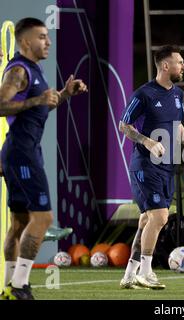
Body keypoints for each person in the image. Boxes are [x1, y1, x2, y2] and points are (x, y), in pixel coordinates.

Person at [0, 17, 87, 300]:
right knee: (43, 218)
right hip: (22, 153)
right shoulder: (18, 70)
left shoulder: (34, 70)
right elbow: (1, 105)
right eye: (41, 37)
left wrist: (63, 95)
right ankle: (19, 286)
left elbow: (38, 109)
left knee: (20, 223)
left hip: (22, 151)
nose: (47, 41)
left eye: (47, 36)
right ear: (25, 42)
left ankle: (8, 286)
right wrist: (37, 100)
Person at [119, 45, 184, 290]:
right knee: (160, 217)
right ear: (166, 66)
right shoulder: (144, 94)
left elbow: (177, 126)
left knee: (147, 221)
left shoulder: (177, 95)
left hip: (166, 166)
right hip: (145, 164)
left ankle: (129, 275)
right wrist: (148, 141)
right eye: (180, 62)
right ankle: (146, 271)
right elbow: (124, 125)